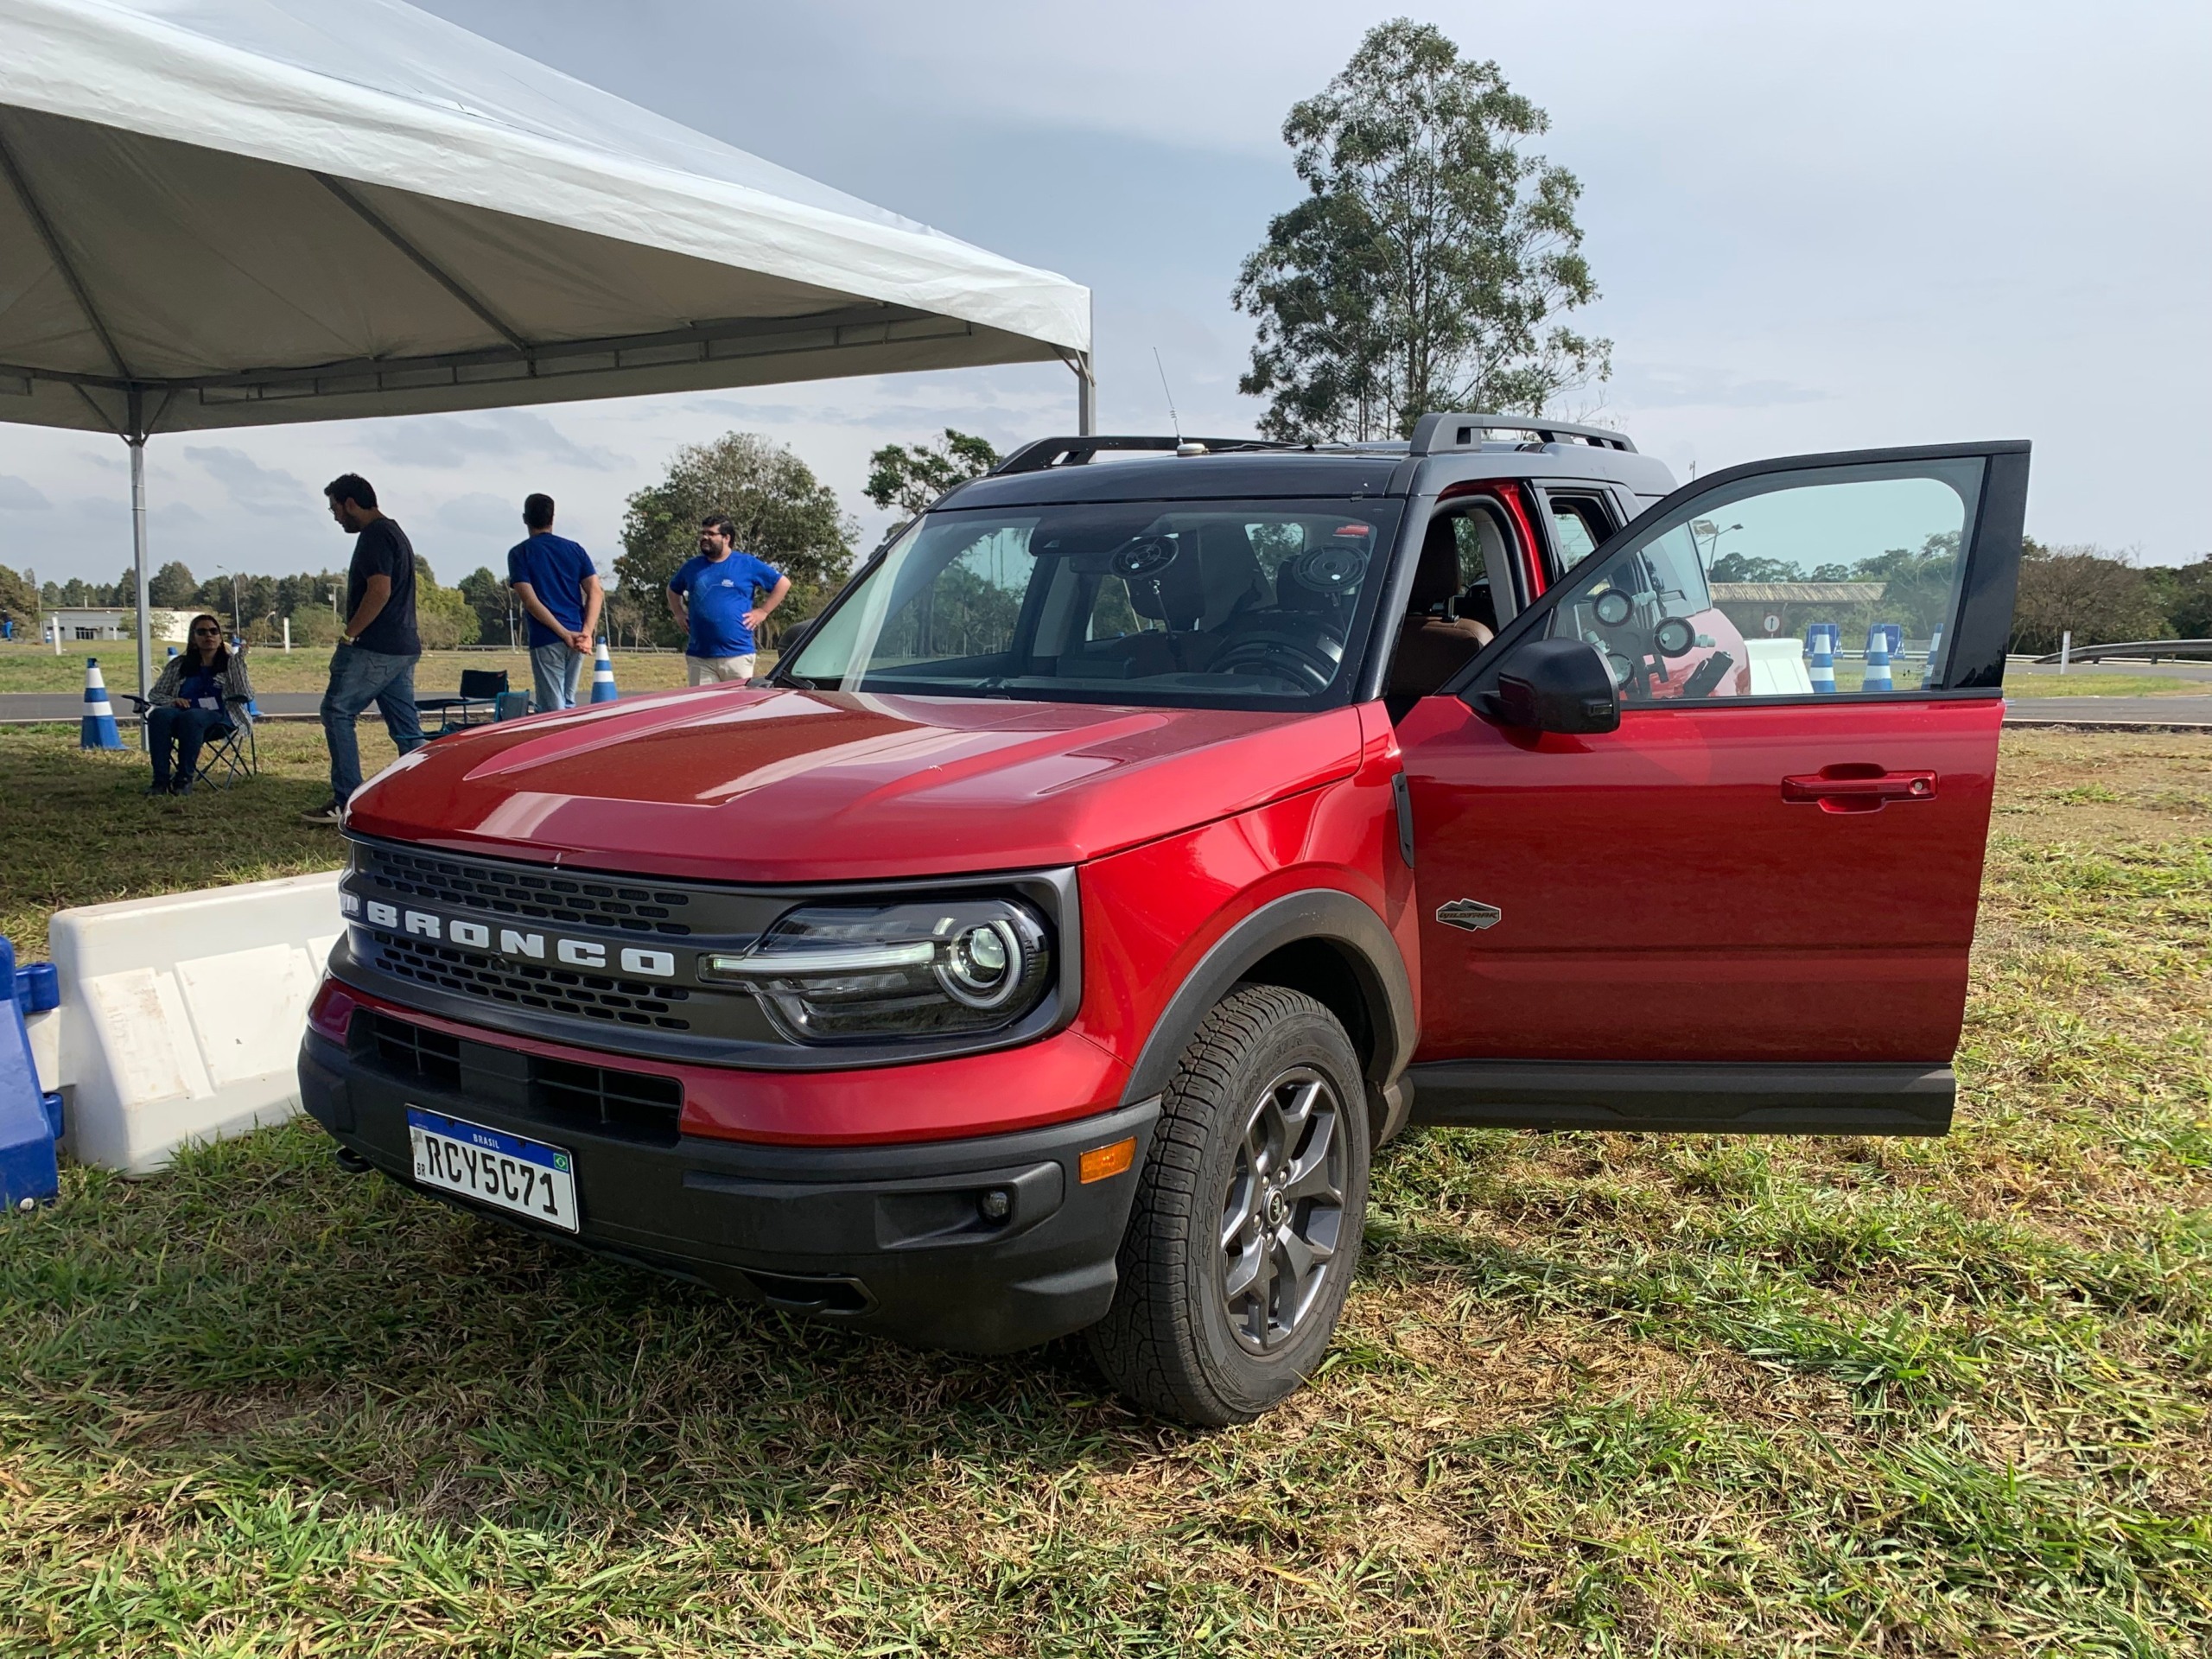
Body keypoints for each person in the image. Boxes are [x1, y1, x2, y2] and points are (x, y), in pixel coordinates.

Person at [303, 473, 425, 824]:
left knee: (337, 712)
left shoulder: (374, 536)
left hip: (375, 647)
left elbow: (379, 591)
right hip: (403, 645)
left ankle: (347, 800)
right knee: (406, 729)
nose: (336, 517)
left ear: (351, 503)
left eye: (336, 509)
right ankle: (421, 795)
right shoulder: (394, 532)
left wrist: (350, 635)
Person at [507, 493, 603, 712]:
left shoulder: (520, 553)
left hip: (547, 636)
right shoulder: (575, 549)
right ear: (553, 518)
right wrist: (586, 633)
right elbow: (596, 591)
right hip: (578, 634)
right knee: (568, 703)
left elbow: (531, 601)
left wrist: (561, 633)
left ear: (525, 519)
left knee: (552, 707)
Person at [667, 514, 789, 684]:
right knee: (705, 710)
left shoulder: (746, 564)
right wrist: (679, 613)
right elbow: (673, 590)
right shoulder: (692, 567)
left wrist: (763, 611)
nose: (704, 537)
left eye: (710, 534)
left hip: (738, 655)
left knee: (737, 709)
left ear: (726, 538)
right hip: (700, 657)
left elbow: (783, 583)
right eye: (703, 533)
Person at [142, 613, 253, 795]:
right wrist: (172, 700)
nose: (208, 636)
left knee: (193, 716)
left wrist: (238, 664)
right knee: (158, 715)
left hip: (220, 718)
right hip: (180, 714)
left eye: (213, 631)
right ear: (193, 639)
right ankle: (159, 781)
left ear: (220, 637)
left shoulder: (231, 664)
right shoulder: (179, 665)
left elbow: (246, 695)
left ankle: (184, 779)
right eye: (201, 632)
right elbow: (155, 693)